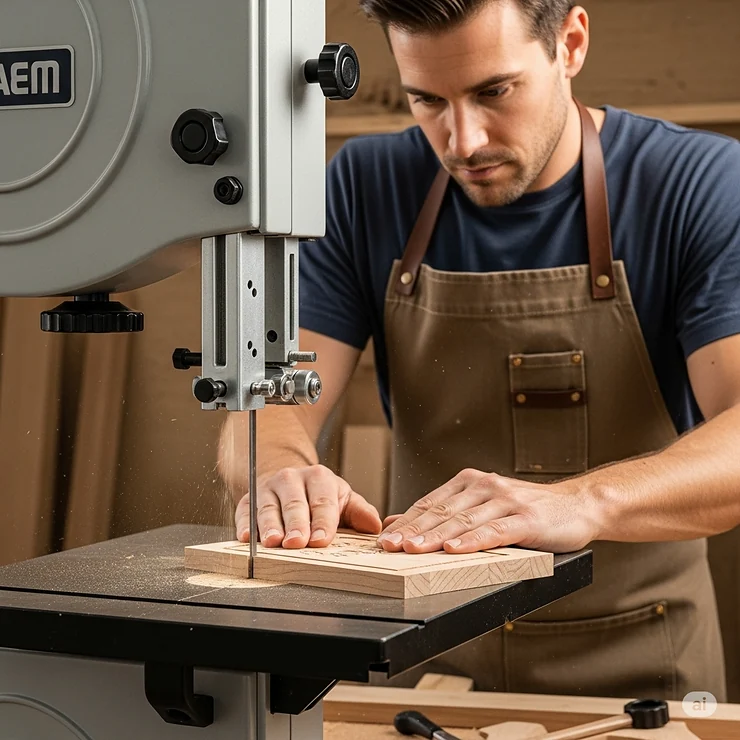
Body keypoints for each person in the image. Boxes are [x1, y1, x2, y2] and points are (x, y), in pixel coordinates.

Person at [219, 0, 740, 701]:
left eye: (494, 91)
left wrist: (581, 502)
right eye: (426, 99)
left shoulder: (697, 183)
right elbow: (273, 401)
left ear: (571, 44)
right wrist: (276, 472)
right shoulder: (364, 184)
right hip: (423, 662)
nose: (462, 140)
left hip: (640, 666)